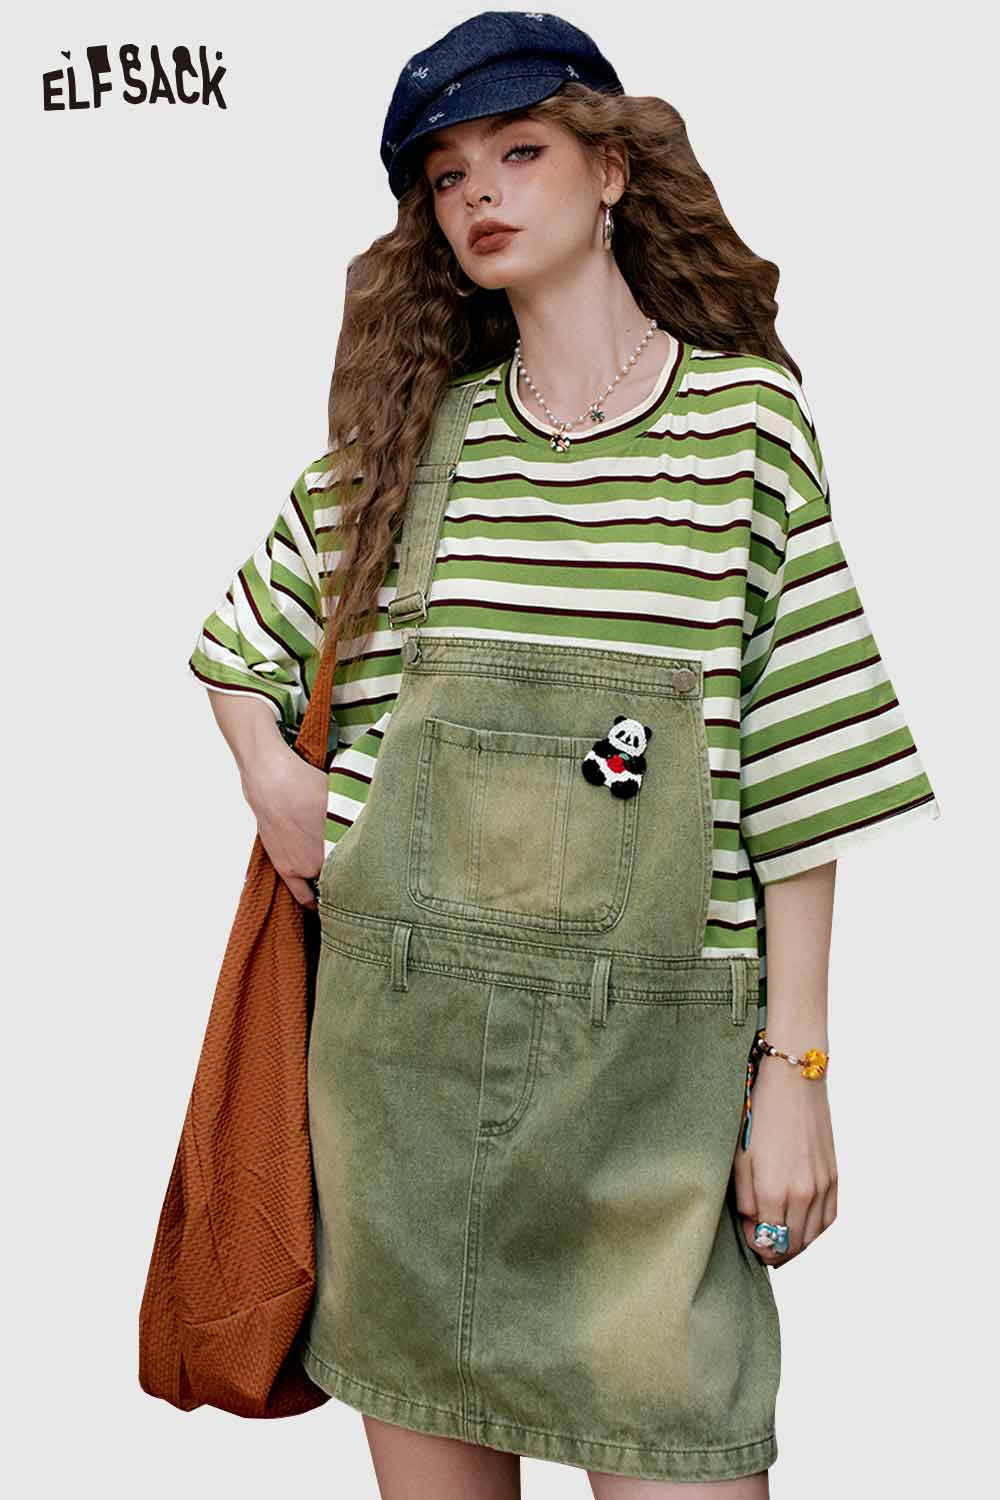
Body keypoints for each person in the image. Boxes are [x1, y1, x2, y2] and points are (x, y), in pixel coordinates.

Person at [187, 12, 941, 1496]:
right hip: (401, 1102)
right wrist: (276, 784)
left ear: (611, 171)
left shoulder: (743, 433)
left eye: (519, 151)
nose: (480, 192)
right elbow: (237, 650)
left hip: (648, 1120)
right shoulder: (411, 450)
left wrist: (797, 1068)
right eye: (448, 174)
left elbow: (799, 771)